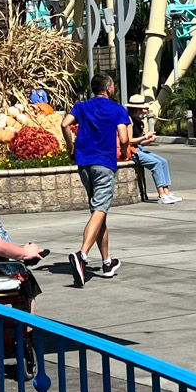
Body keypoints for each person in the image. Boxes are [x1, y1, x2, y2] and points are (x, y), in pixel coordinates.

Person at [61, 74, 131, 286]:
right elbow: (125, 137)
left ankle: (107, 262)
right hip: (104, 164)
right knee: (100, 209)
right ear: (109, 88)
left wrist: (71, 147)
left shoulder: (82, 106)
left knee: (98, 213)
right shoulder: (117, 109)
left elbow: (65, 124)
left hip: (84, 164)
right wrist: (126, 151)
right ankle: (82, 256)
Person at [129, 113, 181, 204]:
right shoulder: (129, 121)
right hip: (132, 151)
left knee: (163, 161)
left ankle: (166, 192)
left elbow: (139, 143)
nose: (146, 112)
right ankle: (161, 195)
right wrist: (145, 136)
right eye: (143, 109)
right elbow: (130, 141)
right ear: (136, 109)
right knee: (156, 163)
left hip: (138, 148)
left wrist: (149, 140)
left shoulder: (138, 121)